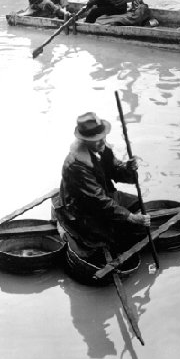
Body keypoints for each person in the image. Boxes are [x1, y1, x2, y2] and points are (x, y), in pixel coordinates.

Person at [52, 112, 150, 262]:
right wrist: (130, 217)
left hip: (104, 196)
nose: (101, 142)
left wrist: (128, 169)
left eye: (102, 137)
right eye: (95, 140)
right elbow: (97, 200)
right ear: (84, 141)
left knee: (139, 204)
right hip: (82, 210)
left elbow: (116, 171)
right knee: (113, 237)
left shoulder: (103, 149)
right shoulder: (76, 165)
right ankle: (66, 226)